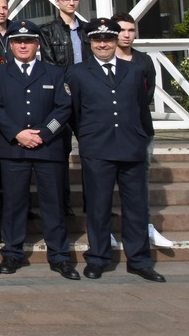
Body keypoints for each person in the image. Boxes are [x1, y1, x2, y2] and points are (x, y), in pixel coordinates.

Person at [68, 17, 164, 282]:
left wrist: (142, 136)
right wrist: (86, 138)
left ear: (115, 41)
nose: (103, 44)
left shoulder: (134, 70)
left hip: (131, 147)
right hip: (97, 149)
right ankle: (98, 259)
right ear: (90, 42)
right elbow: (74, 112)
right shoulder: (77, 73)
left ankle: (140, 260)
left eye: (108, 39)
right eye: (98, 40)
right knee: (98, 207)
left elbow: (141, 108)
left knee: (136, 207)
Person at [0, 20, 78, 280]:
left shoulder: (54, 73)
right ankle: (12, 253)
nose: (23, 45)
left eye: (28, 41)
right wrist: (18, 133)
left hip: (48, 148)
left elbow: (63, 107)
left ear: (37, 44)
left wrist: (44, 133)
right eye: (17, 41)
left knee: (54, 204)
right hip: (14, 148)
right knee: (14, 204)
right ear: (11, 44)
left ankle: (60, 256)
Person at [112, 13, 174, 248]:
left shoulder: (144, 61)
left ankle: (144, 225)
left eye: (131, 30)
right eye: (122, 30)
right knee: (104, 182)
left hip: (140, 129)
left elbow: (145, 95)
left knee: (140, 180)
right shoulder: (103, 60)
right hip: (109, 132)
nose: (126, 35)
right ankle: (105, 230)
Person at [40, 0, 89, 70]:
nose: (71, 3)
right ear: (57, 1)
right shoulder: (47, 31)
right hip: (63, 81)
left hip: (88, 79)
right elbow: (49, 64)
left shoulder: (87, 28)